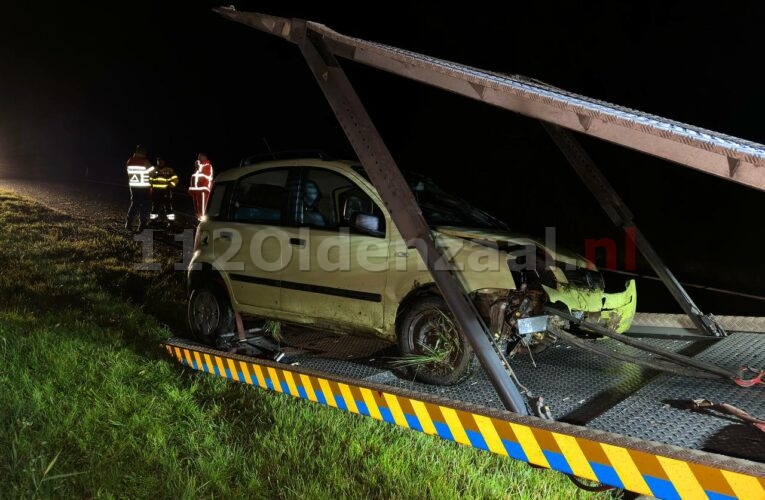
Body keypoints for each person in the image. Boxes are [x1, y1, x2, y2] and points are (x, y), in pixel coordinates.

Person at [125, 145, 155, 232]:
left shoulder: (129, 161)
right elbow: (152, 173)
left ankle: (128, 223)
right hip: (144, 187)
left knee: (134, 204)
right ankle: (142, 225)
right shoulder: (145, 162)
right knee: (144, 206)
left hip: (133, 186)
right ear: (143, 151)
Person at [149, 157, 179, 227]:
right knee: (155, 207)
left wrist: (170, 186)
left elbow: (175, 179)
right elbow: (149, 178)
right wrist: (151, 185)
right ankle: (153, 222)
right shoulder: (153, 169)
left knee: (168, 207)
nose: (160, 162)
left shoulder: (169, 170)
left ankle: (171, 223)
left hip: (166, 192)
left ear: (164, 162)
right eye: (158, 161)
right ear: (157, 162)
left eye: (161, 161)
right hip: (156, 192)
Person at [189, 152, 214, 220]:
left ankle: (203, 222)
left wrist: (198, 168)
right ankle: (199, 221)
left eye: (200, 157)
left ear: (205, 157)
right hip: (196, 190)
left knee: (203, 208)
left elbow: (204, 177)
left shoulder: (207, 165)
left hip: (203, 189)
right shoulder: (198, 166)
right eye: (198, 157)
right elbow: (194, 177)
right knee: (197, 208)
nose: (198, 158)